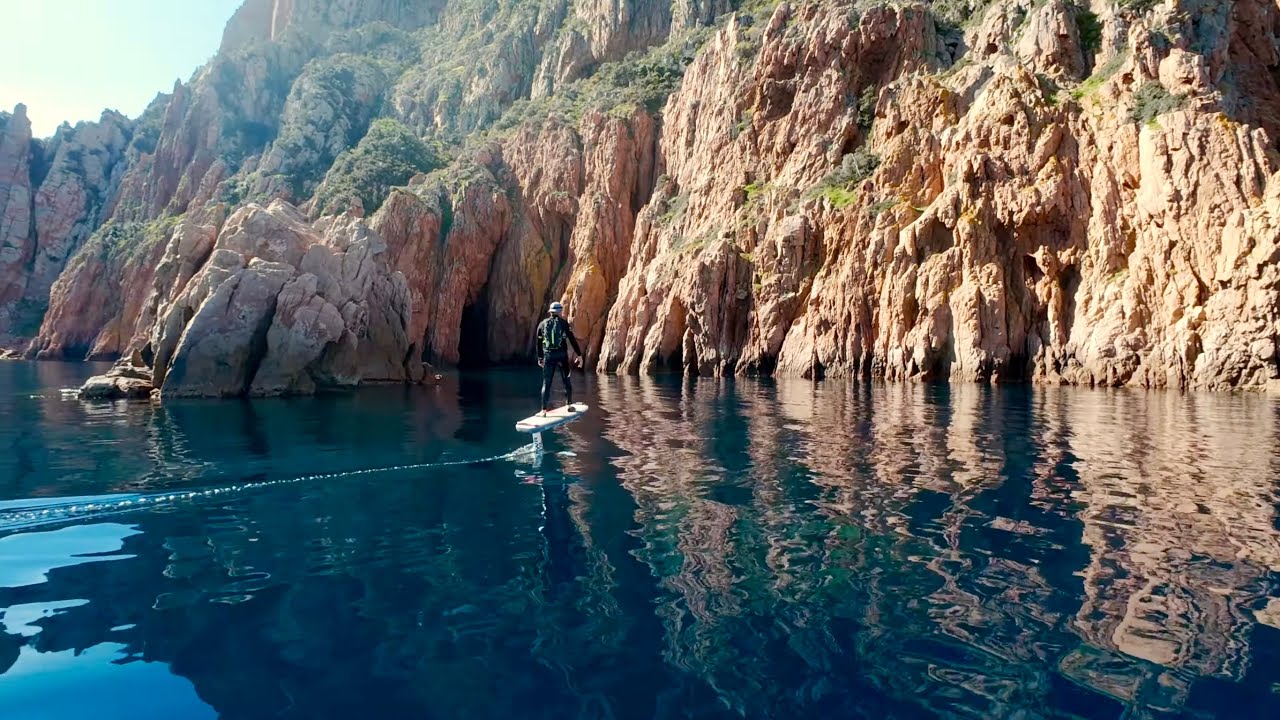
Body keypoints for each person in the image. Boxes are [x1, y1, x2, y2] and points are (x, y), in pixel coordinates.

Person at [535, 301, 583, 414]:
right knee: (566, 380)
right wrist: (579, 355)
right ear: (560, 311)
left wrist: (540, 358)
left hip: (548, 356)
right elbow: (572, 340)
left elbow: (538, 343)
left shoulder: (542, 324)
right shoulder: (564, 324)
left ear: (550, 312)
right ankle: (569, 405)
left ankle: (543, 410)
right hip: (562, 356)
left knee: (546, 383)